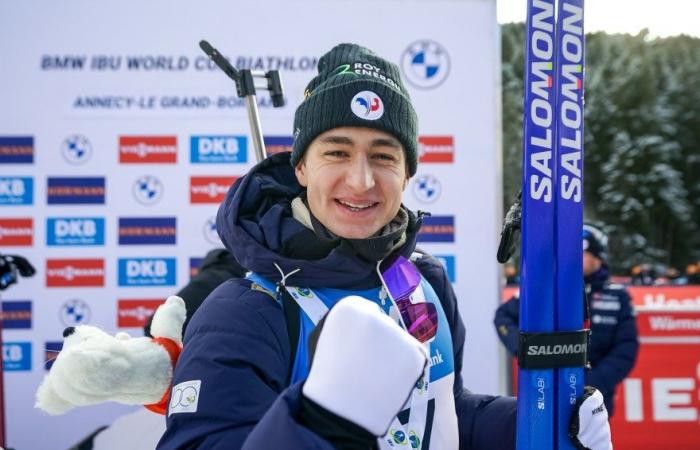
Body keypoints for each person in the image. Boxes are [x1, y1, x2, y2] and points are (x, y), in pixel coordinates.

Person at [157, 43, 610, 450]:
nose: (361, 180)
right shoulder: (246, 309)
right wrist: (319, 423)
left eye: (383, 155)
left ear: (407, 173)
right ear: (300, 168)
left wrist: (541, 425)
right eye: (336, 152)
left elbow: (442, 415)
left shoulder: (422, 280)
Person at [494, 224, 639, 417]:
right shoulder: (546, 287)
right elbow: (503, 317)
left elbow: (626, 348)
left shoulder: (617, 296)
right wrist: (527, 351)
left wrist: (590, 383)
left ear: (598, 256)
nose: (571, 257)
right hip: (545, 390)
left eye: (580, 251)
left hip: (593, 397)